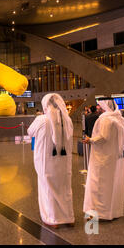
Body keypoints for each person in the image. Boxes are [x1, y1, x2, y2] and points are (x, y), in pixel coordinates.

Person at [27, 93, 75, 228]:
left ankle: (53, 219)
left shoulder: (42, 119)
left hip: (45, 161)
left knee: (47, 187)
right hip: (64, 161)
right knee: (65, 187)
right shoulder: (67, 120)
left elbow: (30, 132)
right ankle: (68, 217)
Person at [83, 98, 124, 221]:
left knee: (99, 183)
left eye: (100, 105)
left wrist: (90, 140)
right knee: (112, 183)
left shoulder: (105, 119)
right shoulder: (119, 118)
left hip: (102, 156)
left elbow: (103, 137)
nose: (98, 107)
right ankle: (112, 211)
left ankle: (99, 213)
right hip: (114, 156)